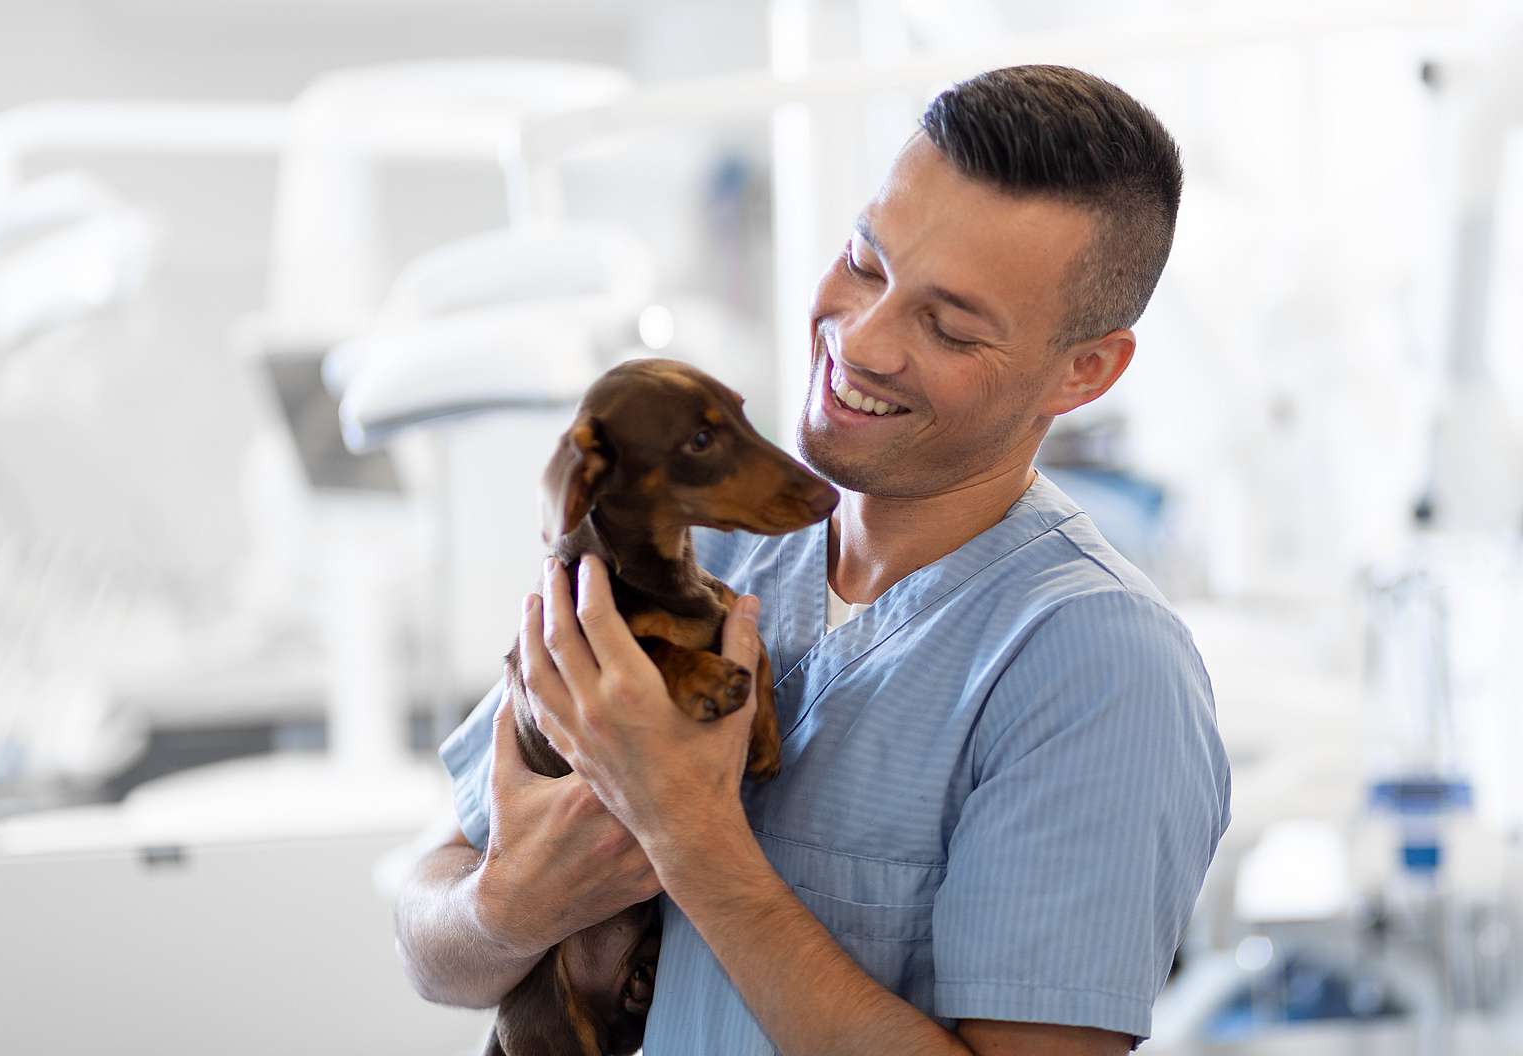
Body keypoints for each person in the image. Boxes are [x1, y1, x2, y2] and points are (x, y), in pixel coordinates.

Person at [394, 64, 1232, 1056]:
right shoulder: (692, 540)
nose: (863, 340)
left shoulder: (1094, 670)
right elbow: (429, 936)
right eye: (865, 262)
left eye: (950, 326)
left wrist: (690, 835)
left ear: (1084, 370)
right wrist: (511, 905)